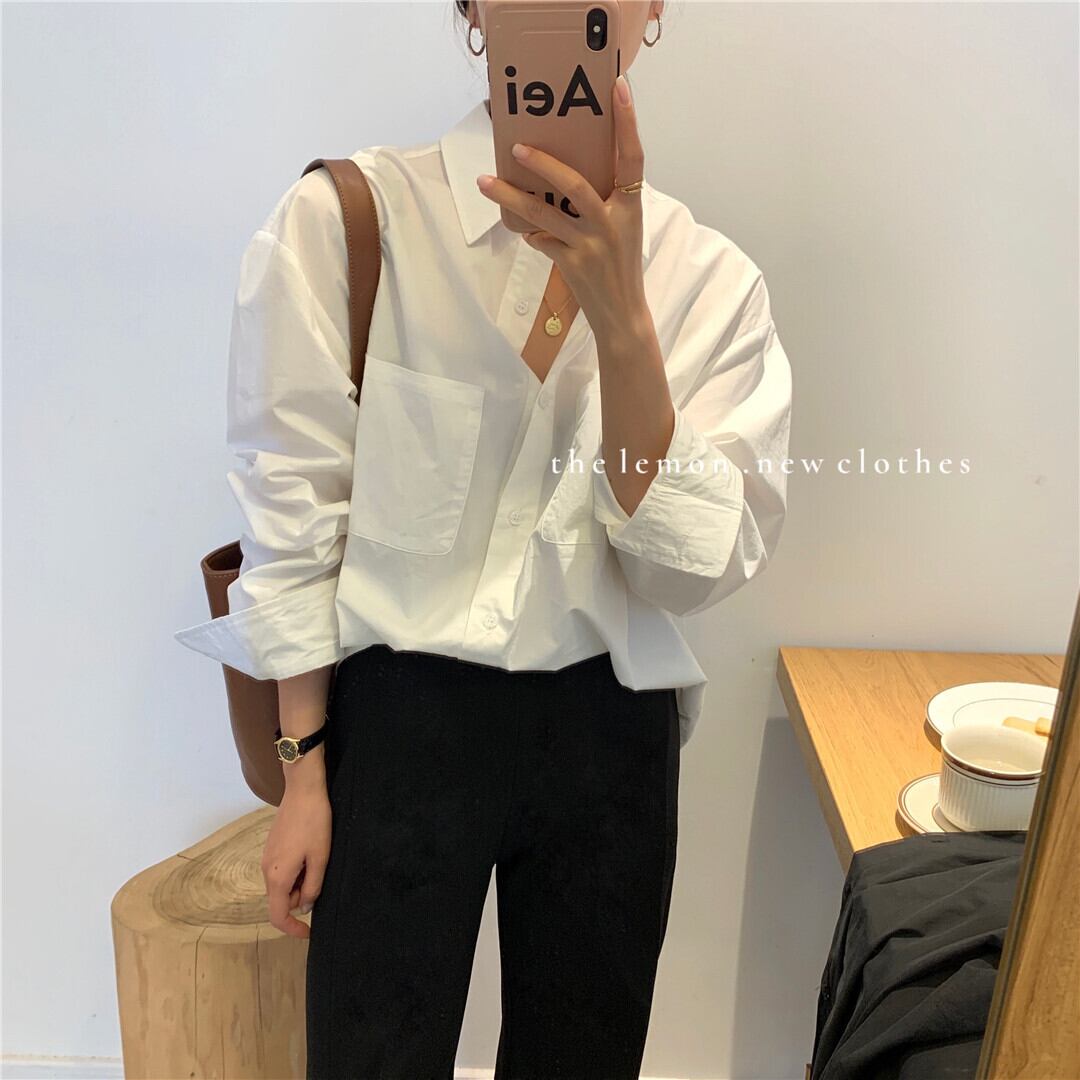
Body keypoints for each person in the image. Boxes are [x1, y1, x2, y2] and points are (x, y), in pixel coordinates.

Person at [173, 1, 792, 1075]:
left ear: (652, 7)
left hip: (610, 732)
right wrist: (303, 771)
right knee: (370, 1056)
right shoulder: (353, 222)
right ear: (472, 8)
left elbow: (688, 571)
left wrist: (624, 321)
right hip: (399, 723)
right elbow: (295, 512)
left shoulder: (711, 284)